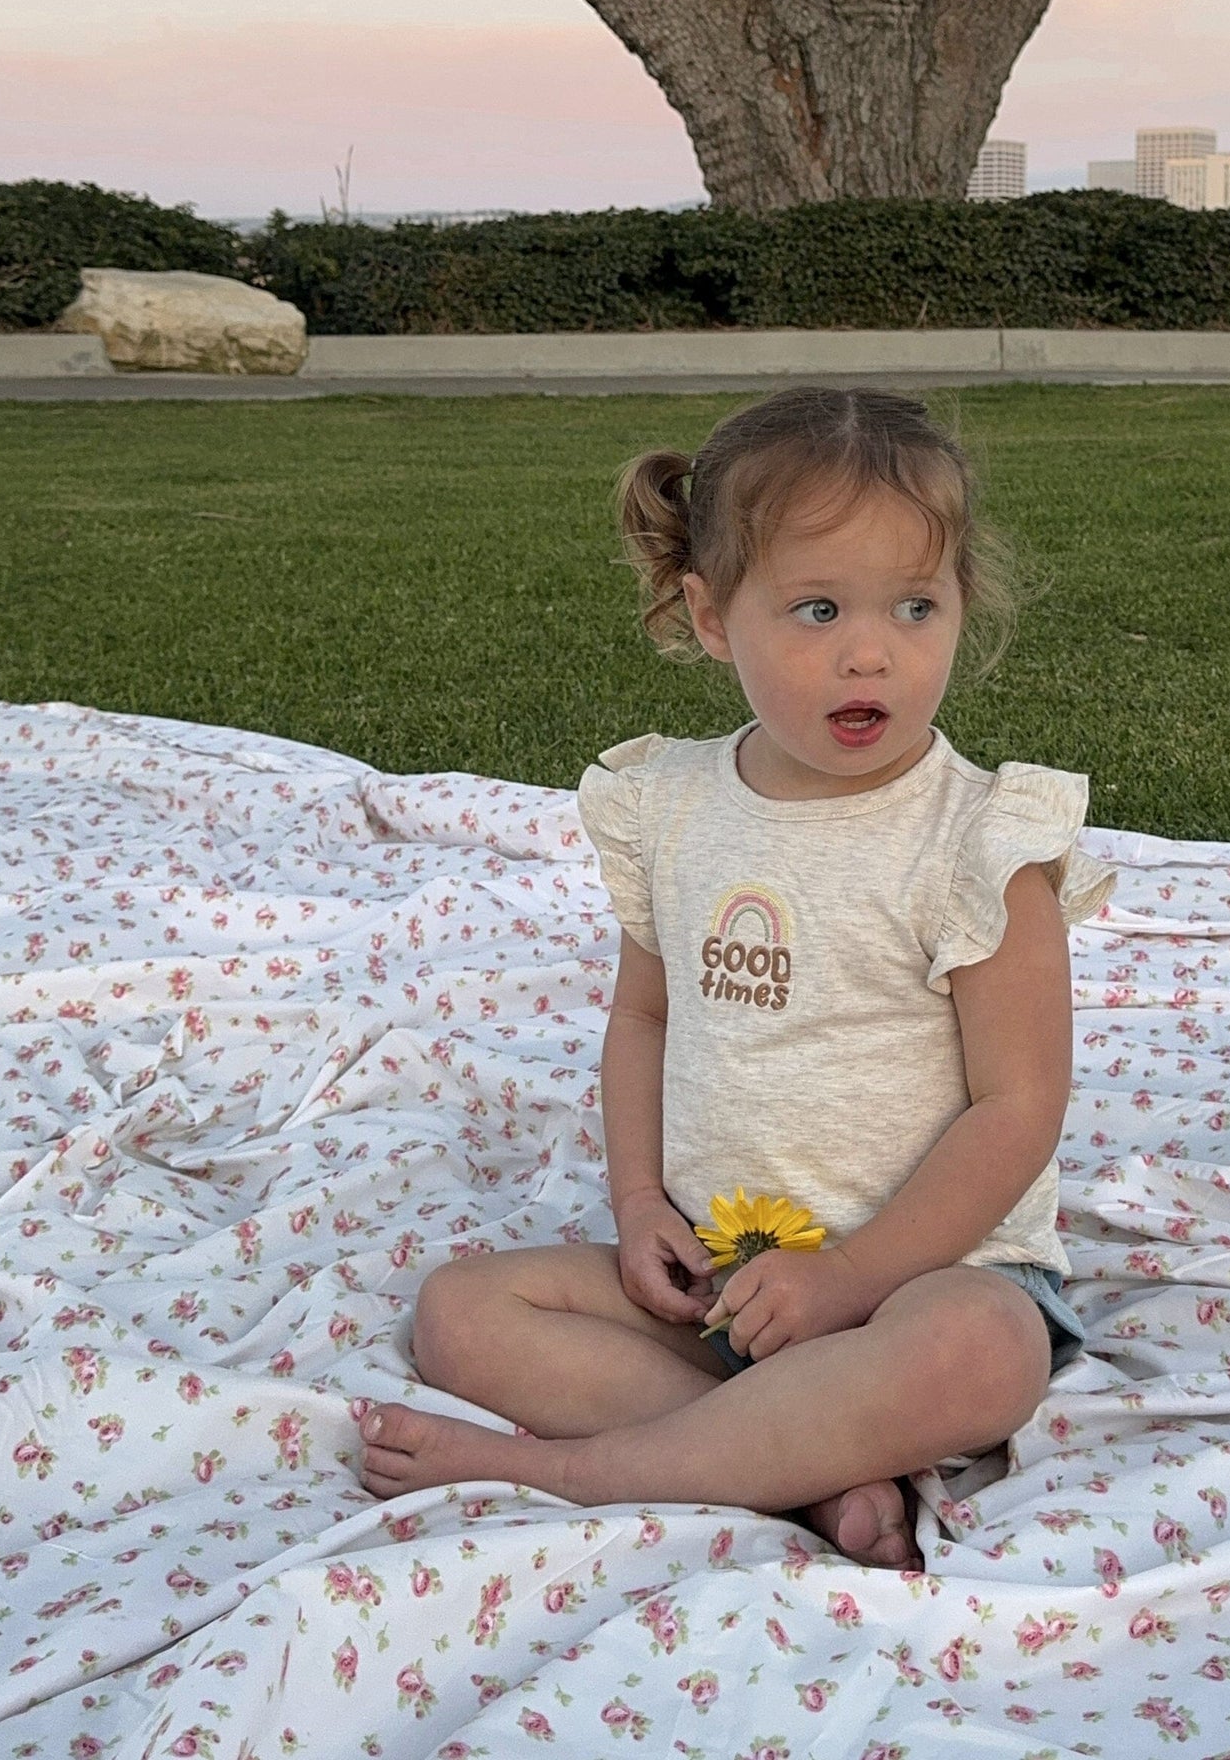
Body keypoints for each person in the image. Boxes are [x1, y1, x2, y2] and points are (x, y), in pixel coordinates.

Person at [359, 386, 1116, 1570]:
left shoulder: (979, 843)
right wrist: (640, 1207)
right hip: (728, 1279)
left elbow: (1018, 1110)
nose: (871, 650)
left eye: (916, 605)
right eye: (818, 609)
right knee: (461, 1314)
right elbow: (644, 1017)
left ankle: (581, 1473)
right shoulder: (671, 806)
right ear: (711, 617)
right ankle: (805, 1462)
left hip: (923, 1280)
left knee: (984, 1353)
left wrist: (852, 1275)